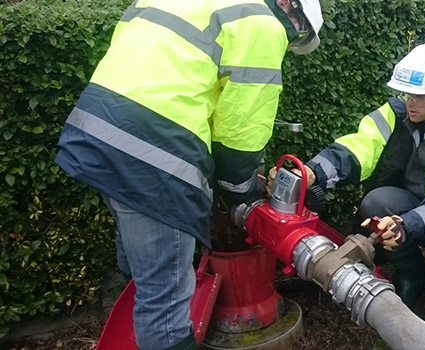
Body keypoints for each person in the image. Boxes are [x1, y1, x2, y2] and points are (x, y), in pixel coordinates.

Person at [53, 0, 324, 348]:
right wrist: (241, 191)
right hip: (153, 152)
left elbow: (181, 81)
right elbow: (242, 128)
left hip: (97, 133)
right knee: (164, 302)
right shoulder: (262, 22)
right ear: (288, 6)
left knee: (142, 266)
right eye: (295, 34)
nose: (287, 44)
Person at [273, 43, 425, 310]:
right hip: (413, 208)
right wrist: (312, 172)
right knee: (376, 202)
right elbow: (360, 146)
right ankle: (414, 275)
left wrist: (406, 224)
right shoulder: (397, 112)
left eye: (419, 95)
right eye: (406, 94)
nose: (410, 101)